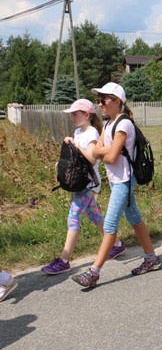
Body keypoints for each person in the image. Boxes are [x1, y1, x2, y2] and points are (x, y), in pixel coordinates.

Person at [71, 82, 161, 288]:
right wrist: (104, 151)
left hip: (124, 182)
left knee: (110, 226)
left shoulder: (123, 124)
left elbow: (109, 156)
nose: (100, 104)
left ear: (117, 101)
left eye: (103, 100)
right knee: (134, 218)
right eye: (98, 100)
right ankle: (151, 258)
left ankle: (93, 272)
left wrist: (105, 150)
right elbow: (96, 152)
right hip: (116, 181)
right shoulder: (110, 124)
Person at [42, 99, 125, 275]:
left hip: (88, 183)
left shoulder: (92, 133)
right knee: (95, 216)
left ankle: (64, 260)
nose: (72, 117)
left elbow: (93, 158)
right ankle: (117, 245)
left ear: (87, 115)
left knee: (73, 218)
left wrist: (76, 147)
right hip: (79, 181)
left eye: (75, 114)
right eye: (71, 114)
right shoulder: (78, 131)